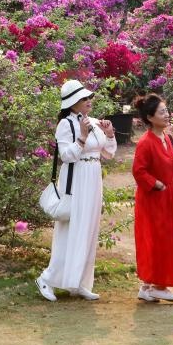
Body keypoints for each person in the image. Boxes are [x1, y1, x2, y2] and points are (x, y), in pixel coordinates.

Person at [36, 80, 117, 301]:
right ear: (73, 103)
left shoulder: (94, 122)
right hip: (76, 180)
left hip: (93, 178)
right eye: (84, 98)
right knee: (71, 230)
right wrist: (82, 136)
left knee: (89, 230)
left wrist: (109, 134)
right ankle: (47, 279)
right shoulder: (66, 125)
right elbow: (66, 156)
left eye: (89, 97)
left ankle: (80, 282)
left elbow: (108, 153)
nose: (89, 101)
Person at [131, 93, 173, 303]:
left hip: (169, 198)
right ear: (150, 117)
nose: (167, 115)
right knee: (155, 240)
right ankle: (158, 285)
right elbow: (139, 171)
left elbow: (168, 162)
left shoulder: (167, 138)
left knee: (165, 240)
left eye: (167, 111)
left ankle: (148, 286)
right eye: (162, 112)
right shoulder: (145, 142)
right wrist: (156, 184)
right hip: (153, 199)